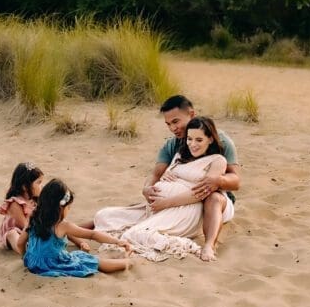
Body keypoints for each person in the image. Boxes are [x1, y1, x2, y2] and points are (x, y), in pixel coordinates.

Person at [93, 95, 241, 261]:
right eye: (168, 124)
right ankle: (74, 229)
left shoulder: (220, 145)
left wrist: (218, 180)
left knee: (213, 198)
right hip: (171, 204)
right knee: (108, 216)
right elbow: (156, 174)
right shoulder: (176, 147)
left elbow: (234, 180)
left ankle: (209, 245)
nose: (173, 128)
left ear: (191, 115)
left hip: (208, 201)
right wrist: (147, 189)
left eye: (176, 122)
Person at [17, 179, 133, 277]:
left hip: (33, 264)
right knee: (88, 260)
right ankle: (126, 263)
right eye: (68, 207)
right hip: (52, 265)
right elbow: (93, 235)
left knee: (78, 254)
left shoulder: (34, 219)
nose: (69, 209)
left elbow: (20, 243)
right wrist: (118, 241)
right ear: (60, 208)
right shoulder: (63, 226)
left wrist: (26, 257)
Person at [0, 163, 90, 253]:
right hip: (20, 233)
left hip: (35, 230)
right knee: (12, 234)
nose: (42, 186)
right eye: (39, 183)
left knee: (59, 224)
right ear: (25, 187)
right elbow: (25, 226)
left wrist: (80, 242)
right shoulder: (15, 203)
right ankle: (24, 250)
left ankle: (82, 239)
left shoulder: (36, 200)